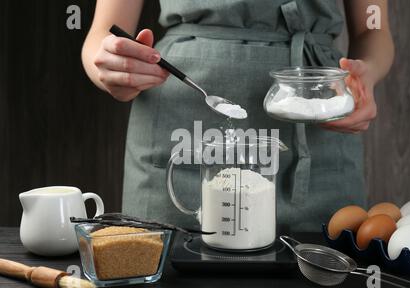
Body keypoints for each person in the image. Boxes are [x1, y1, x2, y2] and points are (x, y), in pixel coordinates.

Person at [82, 0, 394, 232]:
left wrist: (365, 76)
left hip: (317, 127)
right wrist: (113, 68)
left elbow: (373, 29)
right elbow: (101, 33)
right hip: (182, 127)